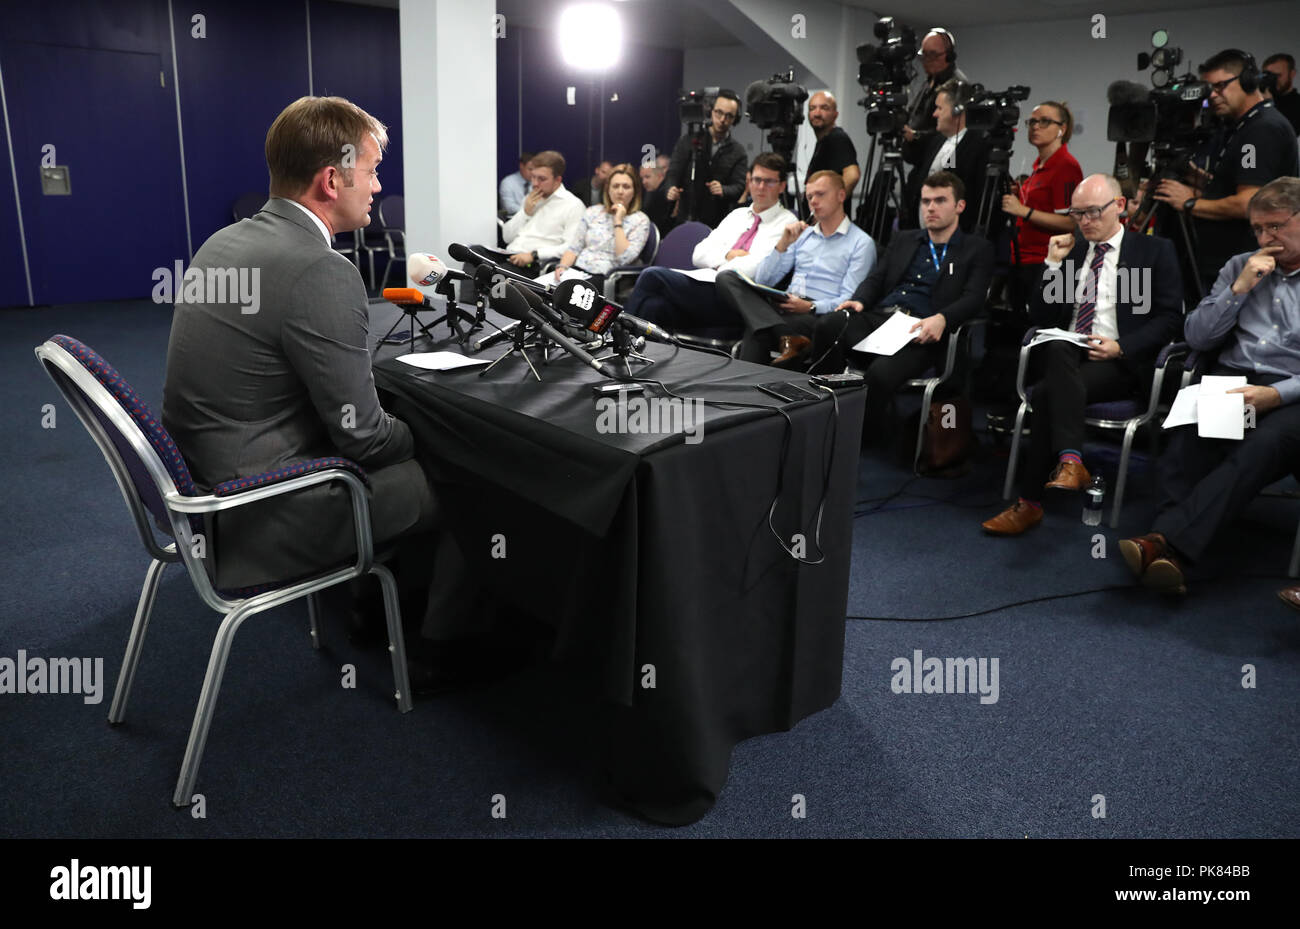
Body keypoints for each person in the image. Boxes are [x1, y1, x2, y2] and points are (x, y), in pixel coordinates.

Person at [161, 96, 483, 690]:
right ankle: (441, 653)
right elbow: (361, 435)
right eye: (373, 170)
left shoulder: (222, 243)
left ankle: (372, 610)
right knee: (462, 473)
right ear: (332, 179)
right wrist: (430, 437)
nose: (379, 185)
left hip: (201, 485)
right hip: (260, 509)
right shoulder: (319, 269)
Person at [1121, 177, 1300, 594]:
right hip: (1234, 378)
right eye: (1257, 228)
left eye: (1275, 226)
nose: (1265, 237)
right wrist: (1239, 290)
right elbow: (1198, 338)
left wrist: (1275, 395)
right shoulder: (1240, 265)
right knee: (1188, 437)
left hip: (1292, 391)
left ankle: (1164, 544)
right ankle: (1170, 555)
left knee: (1261, 446)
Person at [982, 174, 1184, 535]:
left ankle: (1030, 502)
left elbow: (1171, 319)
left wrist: (1122, 347)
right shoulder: (1073, 252)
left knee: (1046, 393)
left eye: (1093, 212)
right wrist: (1053, 264)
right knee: (1058, 344)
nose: (1085, 221)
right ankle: (1071, 460)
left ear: (1119, 207)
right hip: (1070, 357)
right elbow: (1041, 317)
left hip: (1118, 362)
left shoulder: (1152, 251)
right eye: (1077, 214)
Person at [803, 172, 993, 443]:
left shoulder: (976, 249)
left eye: (940, 201)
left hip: (923, 330)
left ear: (959, 206)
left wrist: (942, 318)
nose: (930, 208)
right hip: (884, 318)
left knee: (879, 375)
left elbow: (974, 298)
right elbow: (877, 278)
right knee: (829, 326)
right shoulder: (904, 239)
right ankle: (821, 416)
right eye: (926, 201)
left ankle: (854, 441)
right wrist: (861, 299)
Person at [1153, 50, 1299, 294]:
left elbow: (1249, 203)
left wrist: (1189, 203)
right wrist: (1193, 176)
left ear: (1247, 81)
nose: (1212, 95)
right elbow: (1239, 186)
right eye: (1209, 88)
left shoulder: (1261, 129)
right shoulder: (1243, 126)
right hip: (1229, 261)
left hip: (1240, 263)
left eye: (1220, 86)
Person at [622, 153, 797, 333]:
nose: (761, 187)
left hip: (739, 301)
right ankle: (629, 353)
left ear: (782, 186)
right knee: (653, 306)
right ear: (749, 181)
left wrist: (722, 261)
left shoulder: (787, 223)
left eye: (769, 182)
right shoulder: (737, 216)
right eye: (757, 180)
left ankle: (613, 339)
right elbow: (699, 254)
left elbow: (755, 271)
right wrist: (728, 255)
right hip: (706, 288)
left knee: (652, 276)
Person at [715, 170, 876, 364]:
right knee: (726, 277)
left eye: (820, 194)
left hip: (817, 315)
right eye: (809, 197)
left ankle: (744, 390)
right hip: (785, 304)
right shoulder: (802, 235)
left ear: (841, 196)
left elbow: (848, 300)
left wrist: (812, 306)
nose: (813, 201)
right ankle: (785, 336)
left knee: (757, 330)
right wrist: (782, 244)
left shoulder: (861, 243)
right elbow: (764, 280)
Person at [901, 79, 988, 234]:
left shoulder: (979, 145)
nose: (934, 114)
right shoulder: (937, 140)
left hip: (958, 239)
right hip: (923, 234)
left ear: (957, 110)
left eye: (939, 108)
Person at [546, 163, 650, 290]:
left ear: (635, 191)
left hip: (606, 277)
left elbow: (624, 258)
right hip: (578, 271)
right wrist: (562, 267)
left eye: (626, 187)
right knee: (544, 290)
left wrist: (618, 221)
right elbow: (574, 248)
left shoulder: (640, 220)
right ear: (608, 189)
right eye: (615, 186)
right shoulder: (593, 212)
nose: (620, 191)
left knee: (563, 296)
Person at [663, 89, 748, 228]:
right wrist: (670, 189)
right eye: (719, 112)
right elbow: (673, 173)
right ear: (711, 112)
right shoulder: (689, 141)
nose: (722, 120)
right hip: (686, 216)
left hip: (718, 222)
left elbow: (739, 187)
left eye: (729, 116)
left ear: (735, 119)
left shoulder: (738, 152)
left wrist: (724, 190)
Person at [494, 150, 585, 272]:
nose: (535, 184)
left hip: (534, 264)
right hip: (510, 254)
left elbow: (571, 247)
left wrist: (534, 254)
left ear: (557, 180)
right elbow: (506, 237)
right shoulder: (530, 199)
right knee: (473, 253)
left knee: (493, 273)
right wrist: (525, 212)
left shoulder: (573, 205)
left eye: (541, 179)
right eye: (533, 177)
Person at [903, 27, 967, 151]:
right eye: (924, 55)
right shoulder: (930, 81)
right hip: (922, 160)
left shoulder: (956, 85)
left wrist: (916, 136)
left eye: (932, 55)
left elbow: (952, 131)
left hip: (941, 159)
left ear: (949, 56)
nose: (926, 61)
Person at [805, 91, 860, 196]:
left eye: (824, 108)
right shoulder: (823, 141)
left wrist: (832, 202)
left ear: (835, 114)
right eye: (812, 108)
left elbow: (852, 175)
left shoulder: (837, 137)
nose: (817, 113)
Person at [1262, 53, 1300, 133]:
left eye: (1278, 75)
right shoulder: (1257, 98)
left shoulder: (1297, 104)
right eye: (1268, 76)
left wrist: (1269, 106)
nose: (1273, 80)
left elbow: (1284, 133)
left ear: (1292, 74)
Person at [640, 154, 675, 233]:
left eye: (647, 177)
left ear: (659, 175)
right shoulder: (650, 192)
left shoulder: (665, 194)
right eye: (642, 178)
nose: (644, 182)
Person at [498, 151, 533, 216]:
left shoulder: (537, 183)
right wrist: (529, 211)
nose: (533, 173)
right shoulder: (508, 182)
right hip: (513, 220)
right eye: (530, 169)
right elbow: (509, 207)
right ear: (521, 166)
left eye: (535, 169)